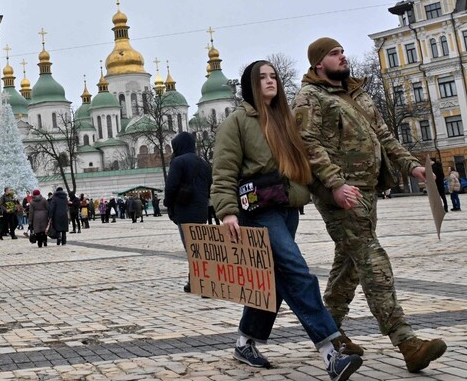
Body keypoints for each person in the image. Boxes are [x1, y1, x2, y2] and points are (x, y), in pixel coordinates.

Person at [293, 38, 447, 373]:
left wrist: (412, 167)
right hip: (340, 195)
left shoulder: (356, 92)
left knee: (348, 264)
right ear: (320, 63)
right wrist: (334, 184)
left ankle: (327, 330)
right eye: (334, 54)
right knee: (370, 257)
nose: (342, 56)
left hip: (367, 189)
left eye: (342, 51)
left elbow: (384, 135)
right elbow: (307, 143)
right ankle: (406, 341)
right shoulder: (310, 97)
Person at [213, 60, 363, 380]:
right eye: (262, 77)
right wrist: (226, 211)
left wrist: (334, 188)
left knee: (273, 281)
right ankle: (331, 351)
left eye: (274, 77)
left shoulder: (286, 120)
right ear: (250, 85)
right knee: (296, 271)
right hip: (259, 211)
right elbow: (223, 171)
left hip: (289, 209)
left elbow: (305, 164)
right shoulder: (237, 122)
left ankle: (245, 341)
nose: (270, 82)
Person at [164, 132, 211, 292]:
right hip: (201, 210)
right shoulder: (204, 163)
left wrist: (168, 203)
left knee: (191, 247)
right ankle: (197, 279)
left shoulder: (178, 162)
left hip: (184, 210)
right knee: (199, 245)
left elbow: (171, 186)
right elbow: (210, 185)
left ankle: (201, 281)